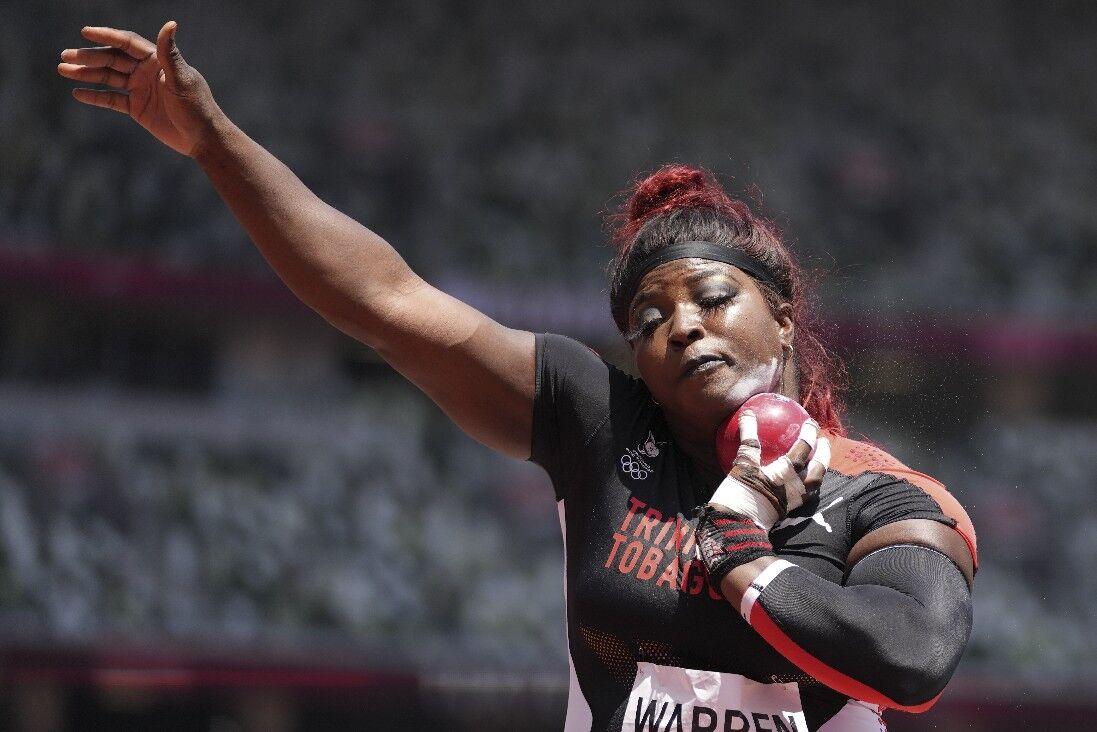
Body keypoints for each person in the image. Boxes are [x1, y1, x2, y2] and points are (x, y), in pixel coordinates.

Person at [57, 21, 976, 732]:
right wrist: (215, 142)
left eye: (709, 298)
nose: (681, 326)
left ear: (782, 313)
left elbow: (912, 661)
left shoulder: (881, 498)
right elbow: (385, 300)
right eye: (647, 321)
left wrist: (738, 548)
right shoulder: (600, 427)